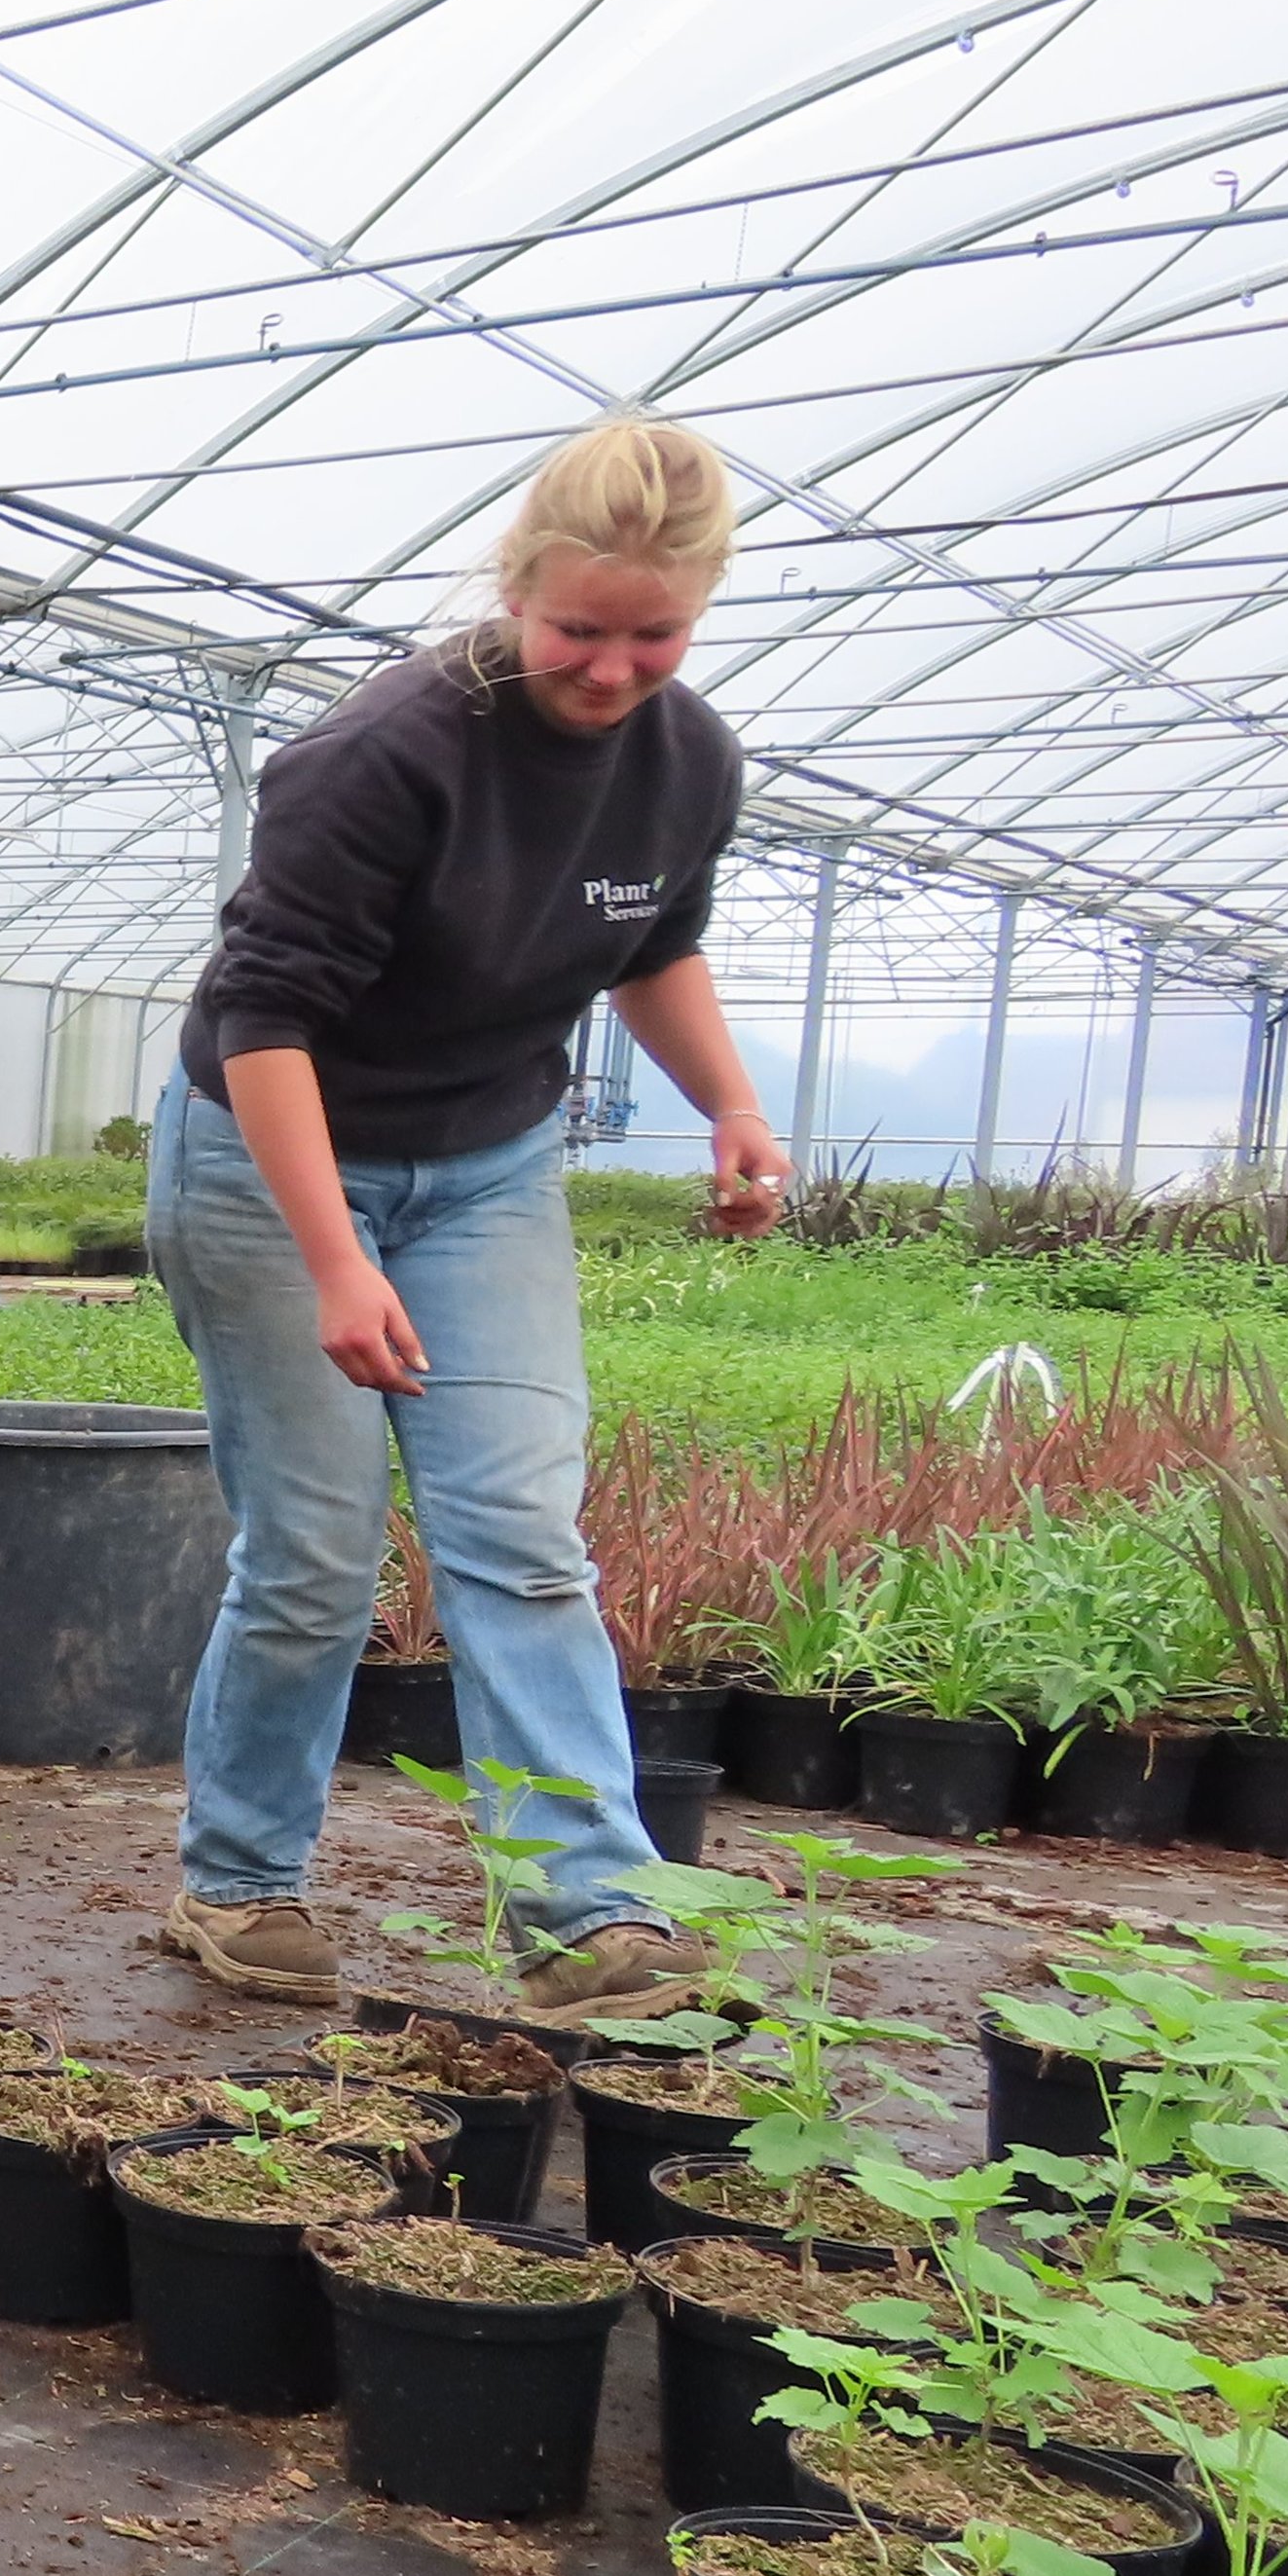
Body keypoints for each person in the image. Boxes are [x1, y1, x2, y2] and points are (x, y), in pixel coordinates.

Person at [147, 413, 789, 2018]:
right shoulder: (385, 756)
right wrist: (336, 1259)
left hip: (491, 1169)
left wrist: (733, 1105)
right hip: (269, 1155)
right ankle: (238, 1883)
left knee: (520, 1538)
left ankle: (585, 1915)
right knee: (313, 1550)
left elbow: (651, 950)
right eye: (579, 628)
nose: (612, 668)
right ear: (514, 587)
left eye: (656, 635)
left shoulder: (686, 757)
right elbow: (264, 1022)